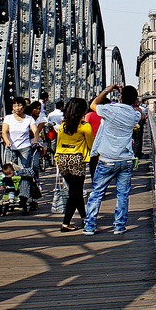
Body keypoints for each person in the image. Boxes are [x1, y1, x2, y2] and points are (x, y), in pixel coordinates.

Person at [83, 84, 145, 236]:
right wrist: (133, 103)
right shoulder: (134, 114)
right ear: (134, 100)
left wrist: (108, 90)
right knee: (123, 195)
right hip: (126, 159)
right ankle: (119, 226)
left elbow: (93, 104)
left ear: (120, 97)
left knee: (97, 193)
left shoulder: (109, 110)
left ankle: (90, 226)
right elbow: (141, 114)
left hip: (107, 158)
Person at [55, 97, 93, 232]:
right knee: (75, 193)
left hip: (62, 159)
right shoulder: (84, 126)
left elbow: (59, 144)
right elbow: (91, 145)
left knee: (75, 191)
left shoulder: (63, 126)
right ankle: (65, 223)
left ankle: (84, 218)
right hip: (76, 159)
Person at [2, 97, 35, 168]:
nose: (17, 108)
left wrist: (36, 138)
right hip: (11, 147)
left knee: (23, 168)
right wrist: (7, 142)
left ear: (24, 107)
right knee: (10, 167)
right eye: (15, 106)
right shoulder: (8, 118)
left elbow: (35, 130)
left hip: (25, 147)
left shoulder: (29, 118)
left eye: (19, 106)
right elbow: (4, 132)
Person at [84, 96, 108, 177]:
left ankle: (94, 178)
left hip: (93, 141)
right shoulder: (106, 115)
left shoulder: (89, 115)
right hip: (104, 141)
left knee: (93, 163)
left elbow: (85, 127)